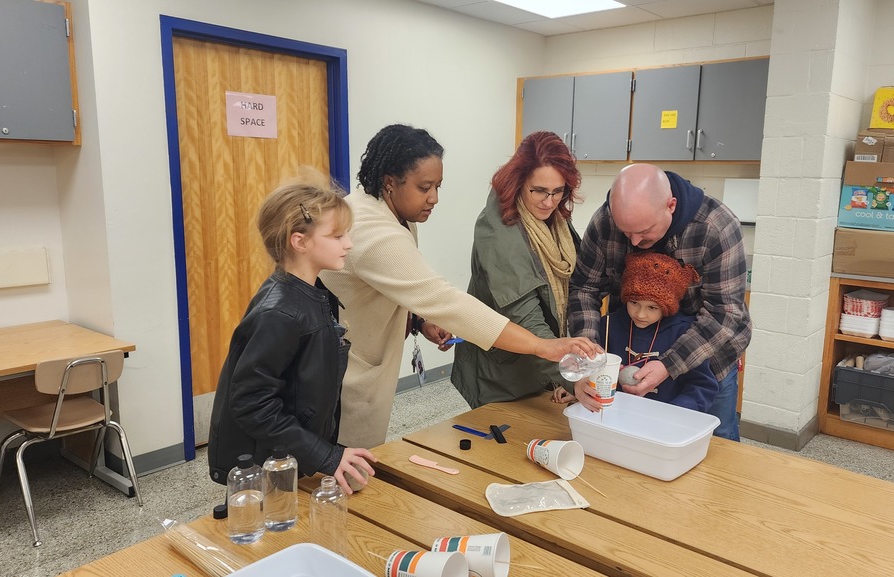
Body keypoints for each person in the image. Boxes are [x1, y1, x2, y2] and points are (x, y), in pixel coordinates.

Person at [320, 124, 601, 448]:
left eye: (437, 186)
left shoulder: (392, 213)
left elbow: (395, 283)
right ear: (389, 183)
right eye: (425, 187)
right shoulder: (375, 232)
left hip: (360, 355)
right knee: (338, 471)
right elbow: (446, 300)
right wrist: (543, 347)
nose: (435, 198)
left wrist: (420, 319)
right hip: (344, 370)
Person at [208, 170, 375, 493]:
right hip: (263, 466)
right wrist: (325, 455)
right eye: (338, 236)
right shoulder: (280, 312)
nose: (349, 244)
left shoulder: (315, 293)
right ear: (299, 241)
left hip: (289, 456)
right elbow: (251, 403)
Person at [568, 163, 752, 441]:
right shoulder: (605, 221)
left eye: (644, 230)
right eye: (625, 231)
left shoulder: (716, 227)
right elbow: (584, 290)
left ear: (671, 205)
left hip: (708, 357)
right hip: (633, 349)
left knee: (715, 440)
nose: (635, 240)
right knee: (628, 437)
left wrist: (669, 364)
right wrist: (589, 361)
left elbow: (724, 314)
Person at [451, 131, 582, 408]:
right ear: (519, 181)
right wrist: (575, 379)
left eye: (557, 191)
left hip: (543, 366)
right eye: (539, 191)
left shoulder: (552, 220)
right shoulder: (498, 231)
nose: (549, 202)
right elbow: (526, 318)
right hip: (502, 373)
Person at [574, 251, 718, 413]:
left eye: (652, 307)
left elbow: (701, 386)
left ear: (667, 307)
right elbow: (591, 371)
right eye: (634, 303)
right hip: (616, 417)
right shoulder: (608, 325)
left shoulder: (685, 333)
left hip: (664, 425)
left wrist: (675, 413)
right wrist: (580, 384)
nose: (640, 314)